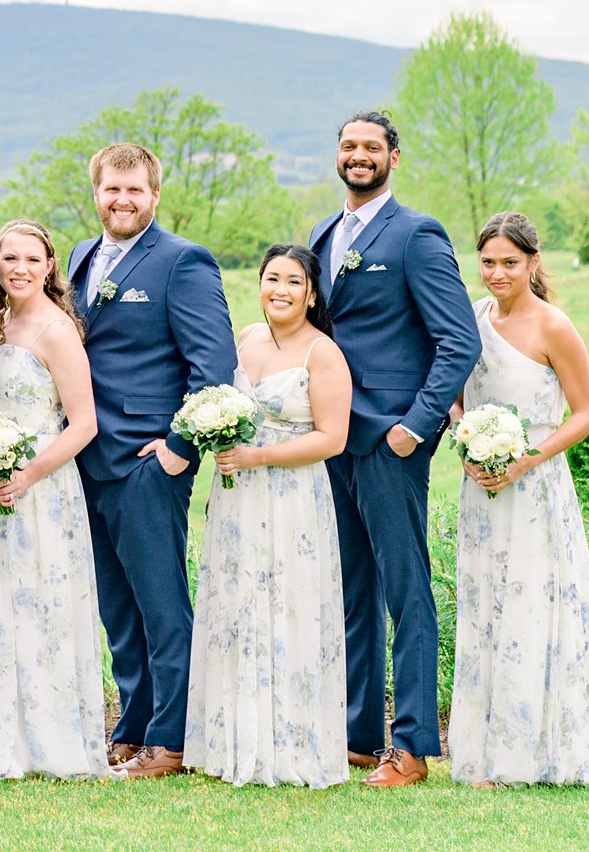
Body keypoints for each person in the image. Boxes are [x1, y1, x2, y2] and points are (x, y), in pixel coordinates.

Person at [309, 111, 481, 787]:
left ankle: (410, 744)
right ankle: (358, 734)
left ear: (394, 157)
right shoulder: (323, 233)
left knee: (406, 590)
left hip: (389, 439)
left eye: (371, 146)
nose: (358, 155)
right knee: (355, 588)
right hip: (332, 437)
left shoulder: (416, 234)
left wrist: (417, 424)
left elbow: (458, 338)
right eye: (348, 144)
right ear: (338, 153)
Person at [66, 142, 239, 779]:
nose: (123, 199)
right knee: (118, 606)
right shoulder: (81, 257)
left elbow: (212, 368)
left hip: (147, 462)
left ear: (155, 194)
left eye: (135, 190)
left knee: (163, 604)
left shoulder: (182, 262)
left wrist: (178, 450)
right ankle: (133, 723)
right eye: (112, 189)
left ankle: (174, 737)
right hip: (88, 459)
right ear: (97, 192)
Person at [449, 211, 589, 788]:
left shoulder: (554, 327)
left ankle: (529, 753)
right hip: (481, 487)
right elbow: (455, 397)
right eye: (488, 262)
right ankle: (484, 754)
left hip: (536, 489)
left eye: (509, 262)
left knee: (531, 608)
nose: (497, 273)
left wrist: (527, 459)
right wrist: (465, 439)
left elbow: (587, 414)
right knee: (486, 609)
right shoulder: (471, 319)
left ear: (532, 262)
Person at [185, 245, 351, 787]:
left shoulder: (322, 353)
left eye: (292, 281)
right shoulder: (248, 339)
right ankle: (236, 739)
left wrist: (256, 456)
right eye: (271, 279)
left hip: (293, 500)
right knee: (239, 608)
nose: (280, 290)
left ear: (311, 293)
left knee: (290, 608)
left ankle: (290, 744)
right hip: (238, 497)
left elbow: (332, 438)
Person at [0, 220, 106, 782]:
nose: (19, 269)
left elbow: (84, 424)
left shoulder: (57, 330)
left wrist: (27, 474)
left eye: (31, 259)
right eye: (8, 258)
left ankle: (54, 741)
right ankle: (7, 744)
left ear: (50, 267)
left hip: (41, 491)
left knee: (41, 606)